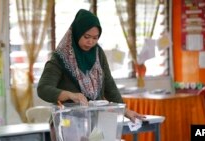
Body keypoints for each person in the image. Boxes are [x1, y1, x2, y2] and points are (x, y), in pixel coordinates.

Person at [37, 9, 145, 140]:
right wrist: (70, 95)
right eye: (86, 37)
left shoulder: (98, 54)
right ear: (77, 33)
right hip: (68, 124)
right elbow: (43, 89)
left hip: (94, 122)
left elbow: (109, 85)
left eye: (95, 38)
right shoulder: (60, 57)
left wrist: (126, 111)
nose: (91, 42)